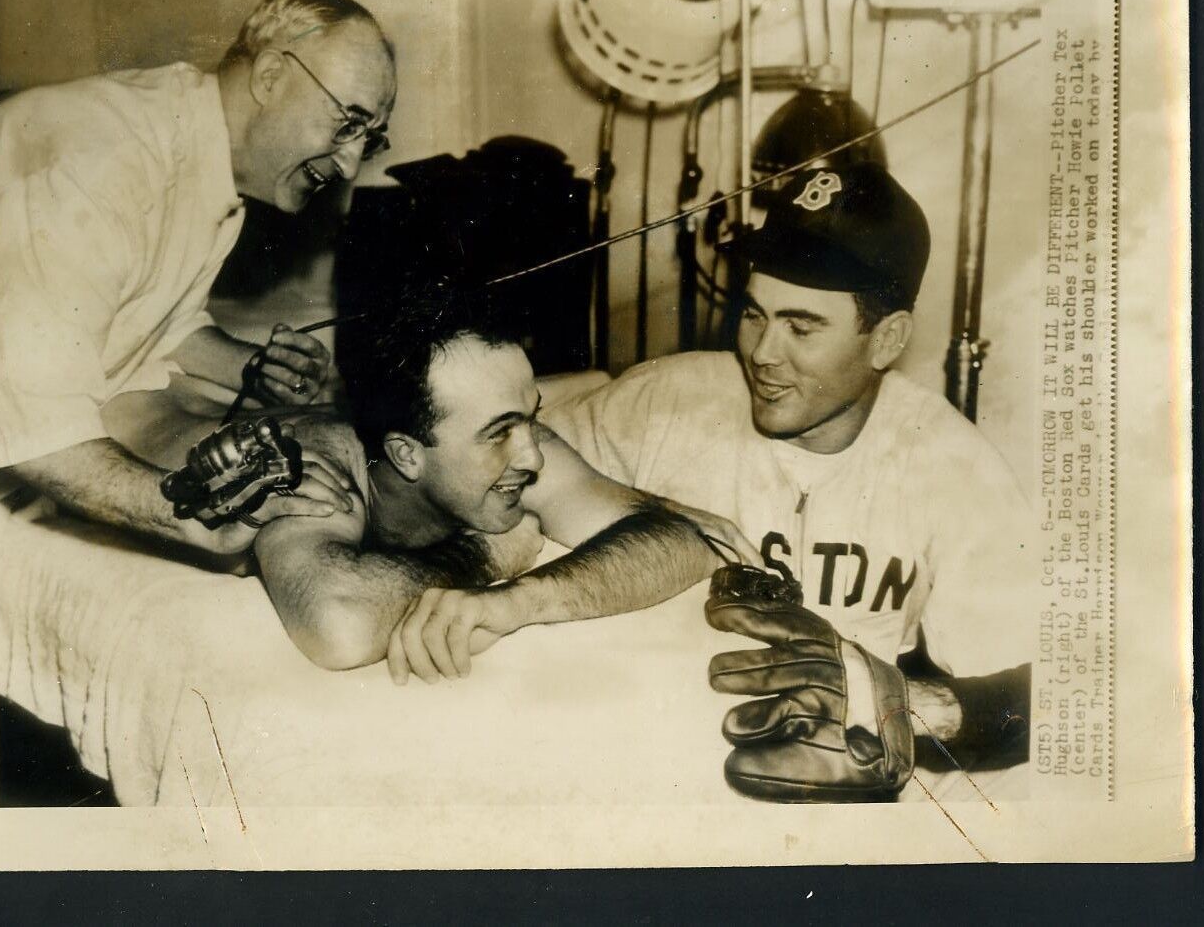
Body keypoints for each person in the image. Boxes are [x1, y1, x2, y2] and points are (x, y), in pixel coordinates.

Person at [544, 164, 1035, 793]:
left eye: (801, 327)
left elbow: (1046, 689)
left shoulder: (950, 463)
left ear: (887, 339)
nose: (763, 352)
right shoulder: (668, 400)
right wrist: (649, 506)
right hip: (646, 768)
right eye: (754, 315)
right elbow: (498, 453)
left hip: (833, 806)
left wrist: (897, 704)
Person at [111, 282, 758, 679]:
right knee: (146, 391)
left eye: (528, 418)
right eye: (499, 430)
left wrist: (521, 599)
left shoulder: (515, 450)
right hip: (137, 408)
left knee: (587, 391)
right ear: (406, 454)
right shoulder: (314, 469)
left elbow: (692, 540)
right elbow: (337, 625)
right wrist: (486, 554)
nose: (532, 454)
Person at [0, 0, 397, 554]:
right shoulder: (104, 165)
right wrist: (200, 515)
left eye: (370, 138)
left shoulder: (204, 154)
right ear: (270, 77)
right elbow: (37, 430)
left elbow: (153, 322)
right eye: (347, 122)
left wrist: (250, 367)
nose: (351, 162)